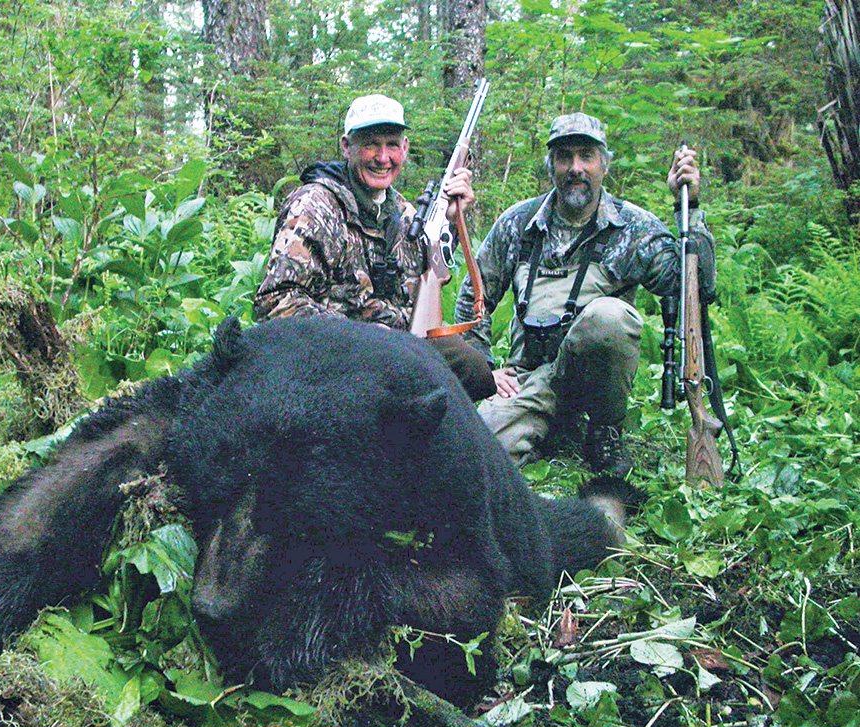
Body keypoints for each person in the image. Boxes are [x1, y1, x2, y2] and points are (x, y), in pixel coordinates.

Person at [453, 112, 716, 476]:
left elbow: (693, 287)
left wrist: (690, 208)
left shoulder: (632, 227)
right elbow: (473, 296)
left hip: (592, 385)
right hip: (529, 378)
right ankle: (545, 428)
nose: (575, 168)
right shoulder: (520, 224)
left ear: (603, 165)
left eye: (586, 157)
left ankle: (604, 430)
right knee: (476, 454)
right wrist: (483, 371)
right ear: (552, 167)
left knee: (609, 318)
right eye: (565, 157)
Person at [254, 93, 495, 399]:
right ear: (346, 146)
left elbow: (425, 288)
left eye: (392, 144)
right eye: (370, 144)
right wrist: (365, 339)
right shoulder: (315, 205)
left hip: (398, 348)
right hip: (334, 358)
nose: (383, 158)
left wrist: (449, 221)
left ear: (404, 148)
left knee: (476, 373)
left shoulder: (405, 213)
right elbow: (275, 302)